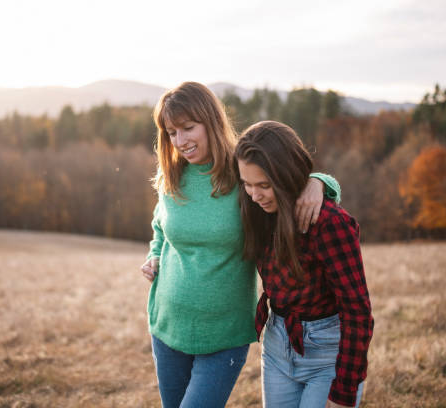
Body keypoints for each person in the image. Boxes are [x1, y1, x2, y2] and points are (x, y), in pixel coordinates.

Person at [140, 82, 341, 408]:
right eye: (171, 132)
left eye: (188, 128)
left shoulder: (242, 172)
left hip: (224, 334)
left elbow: (288, 183)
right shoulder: (172, 175)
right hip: (167, 325)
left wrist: (319, 183)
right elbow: (160, 227)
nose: (180, 141)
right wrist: (154, 254)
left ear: (211, 121)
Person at [234, 120, 374, 408]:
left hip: (327, 354)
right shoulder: (257, 211)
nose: (254, 194)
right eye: (247, 184)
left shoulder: (329, 223)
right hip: (276, 346)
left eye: (263, 185)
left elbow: (357, 311)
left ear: (286, 176)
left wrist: (344, 392)